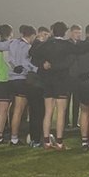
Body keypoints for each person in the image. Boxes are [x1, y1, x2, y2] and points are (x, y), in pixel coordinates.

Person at [31, 21, 74, 149]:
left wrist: (42, 63)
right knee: (61, 112)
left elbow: (32, 54)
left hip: (48, 81)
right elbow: (70, 61)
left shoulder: (46, 44)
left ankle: (47, 141)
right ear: (65, 32)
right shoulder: (67, 45)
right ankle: (59, 142)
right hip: (61, 81)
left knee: (48, 111)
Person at [6, 25, 36, 146]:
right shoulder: (28, 47)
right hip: (21, 80)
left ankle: (14, 135)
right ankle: (14, 138)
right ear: (32, 35)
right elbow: (27, 64)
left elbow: (8, 60)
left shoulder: (13, 43)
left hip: (11, 79)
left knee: (14, 108)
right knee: (19, 110)